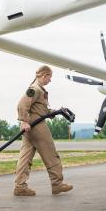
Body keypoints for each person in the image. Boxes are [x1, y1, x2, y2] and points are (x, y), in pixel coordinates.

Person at [14, 65, 73, 196]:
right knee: (51, 153)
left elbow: (41, 110)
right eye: (49, 77)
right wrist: (24, 121)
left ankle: (20, 186)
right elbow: (22, 104)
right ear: (44, 75)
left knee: (25, 157)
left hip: (30, 126)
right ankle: (57, 184)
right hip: (36, 126)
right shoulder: (35, 89)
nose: (50, 80)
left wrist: (56, 111)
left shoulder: (39, 89)